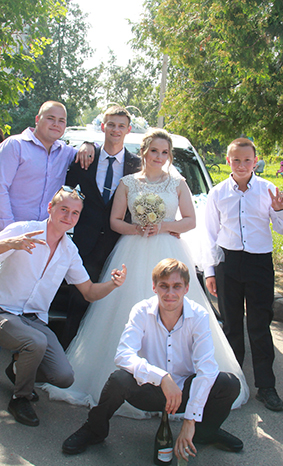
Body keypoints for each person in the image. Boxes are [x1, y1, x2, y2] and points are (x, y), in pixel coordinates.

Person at [42, 128, 249, 418]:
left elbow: (190, 221)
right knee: (124, 309)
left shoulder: (178, 183)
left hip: (169, 250)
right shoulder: (128, 183)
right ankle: (126, 381)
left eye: (165, 152)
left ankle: (180, 383)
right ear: (144, 152)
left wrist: (163, 226)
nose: (159, 157)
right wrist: (137, 228)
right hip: (133, 248)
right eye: (154, 151)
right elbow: (115, 221)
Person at [0, 186, 127, 427]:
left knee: (64, 377)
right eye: (64, 209)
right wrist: (10, 243)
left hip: (33, 321)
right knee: (36, 342)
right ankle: (20, 398)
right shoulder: (23, 230)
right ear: (50, 208)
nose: (68, 217)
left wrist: (113, 284)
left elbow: (89, 292)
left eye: (75, 213)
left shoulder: (69, 251)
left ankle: (18, 370)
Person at [62, 259, 243, 460]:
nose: (170, 293)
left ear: (187, 288)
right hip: (150, 390)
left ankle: (204, 432)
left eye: (177, 286)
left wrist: (190, 420)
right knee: (119, 379)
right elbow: (123, 354)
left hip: (185, 393)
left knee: (228, 383)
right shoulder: (141, 310)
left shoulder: (199, 315)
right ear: (154, 287)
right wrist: (162, 377)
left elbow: (206, 368)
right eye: (164, 286)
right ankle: (94, 429)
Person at [0, 101, 91, 391]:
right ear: (37, 119)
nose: (56, 124)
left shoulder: (66, 152)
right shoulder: (14, 146)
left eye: (61, 120)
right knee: (4, 301)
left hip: (46, 237)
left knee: (29, 305)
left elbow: (90, 152)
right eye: (50, 118)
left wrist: (88, 144)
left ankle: (19, 364)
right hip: (14, 239)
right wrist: (10, 235)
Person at [202, 138, 283, 412]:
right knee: (231, 325)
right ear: (228, 161)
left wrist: (280, 209)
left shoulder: (268, 189)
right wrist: (210, 271)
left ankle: (266, 386)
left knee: (259, 324)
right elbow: (210, 235)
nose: (242, 165)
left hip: (259, 263)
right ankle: (233, 384)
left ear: (256, 161)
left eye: (247, 160)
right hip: (228, 263)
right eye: (236, 160)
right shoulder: (218, 193)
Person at [60, 105, 141, 348]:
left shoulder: (137, 166)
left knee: (112, 308)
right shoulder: (85, 158)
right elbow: (66, 192)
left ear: (128, 130)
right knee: (77, 304)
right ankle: (67, 357)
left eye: (121, 126)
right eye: (111, 124)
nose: (116, 130)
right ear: (103, 127)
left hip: (120, 246)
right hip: (85, 245)